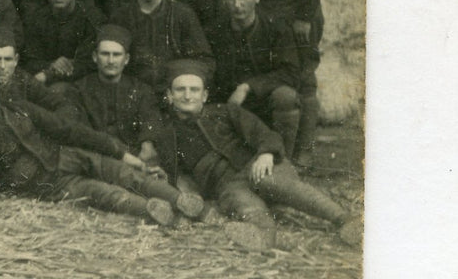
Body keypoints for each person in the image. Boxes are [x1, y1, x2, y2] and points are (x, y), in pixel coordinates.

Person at [0, 60, 201, 227]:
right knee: (103, 193)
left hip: (67, 156)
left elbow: (68, 130)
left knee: (125, 173)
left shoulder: (19, 109)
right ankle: (154, 211)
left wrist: (122, 153)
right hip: (45, 183)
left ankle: (181, 201)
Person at [147, 59, 359, 251]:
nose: (187, 95)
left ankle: (344, 220)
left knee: (271, 182)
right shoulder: (167, 135)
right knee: (245, 205)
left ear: (204, 95)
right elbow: (178, 175)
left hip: (258, 165)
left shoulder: (226, 111)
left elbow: (265, 134)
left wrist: (266, 154)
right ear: (169, 95)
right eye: (180, 89)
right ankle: (263, 238)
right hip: (227, 185)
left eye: (194, 90)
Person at [207, 0, 308, 161]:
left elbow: (290, 72)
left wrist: (248, 87)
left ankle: (283, 160)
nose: (237, 4)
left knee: (286, 97)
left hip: (264, 102)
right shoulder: (214, 33)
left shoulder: (277, 29)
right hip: (229, 104)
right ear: (223, 0)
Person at [108, 0, 213, 88]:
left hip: (173, 92)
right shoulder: (120, 17)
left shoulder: (182, 14)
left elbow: (204, 61)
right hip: (133, 91)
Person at [64, 24, 162, 160]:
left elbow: (150, 120)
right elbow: (79, 131)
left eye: (116, 55)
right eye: (105, 54)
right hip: (95, 156)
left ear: (126, 59)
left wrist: (147, 144)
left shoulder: (141, 90)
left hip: (134, 156)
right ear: (95, 57)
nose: (110, 61)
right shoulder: (78, 90)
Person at [19, 0, 100, 89]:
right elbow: (29, 59)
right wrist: (51, 65)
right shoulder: (35, 19)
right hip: (46, 79)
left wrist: (50, 73)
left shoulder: (91, 18)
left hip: (84, 83)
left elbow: (90, 63)